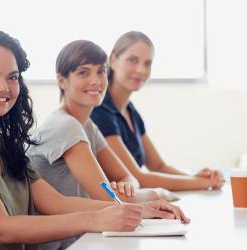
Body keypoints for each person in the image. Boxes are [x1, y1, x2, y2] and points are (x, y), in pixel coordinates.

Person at [0, 31, 189, 250]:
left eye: (12, 77)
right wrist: (97, 219)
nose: (4, 86)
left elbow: (57, 202)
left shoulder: (3, 143)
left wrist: (138, 210)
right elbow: (1, 227)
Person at [28, 40, 178, 203]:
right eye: (83, 72)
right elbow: (111, 199)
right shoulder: (65, 126)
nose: (95, 81)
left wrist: (127, 186)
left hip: (86, 224)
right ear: (62, 81)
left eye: (101, 72)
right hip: (61, 225)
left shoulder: (87, 125)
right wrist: (159, 194)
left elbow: (128, 176)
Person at [91, 31, 225, 191]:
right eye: (133, 60)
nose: (141, 70)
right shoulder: (100, 111)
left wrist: (197, 177)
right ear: (113, 60)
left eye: (147, 63)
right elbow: (137, 177)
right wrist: (202, 183)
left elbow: (158, 166)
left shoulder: (130, 111)